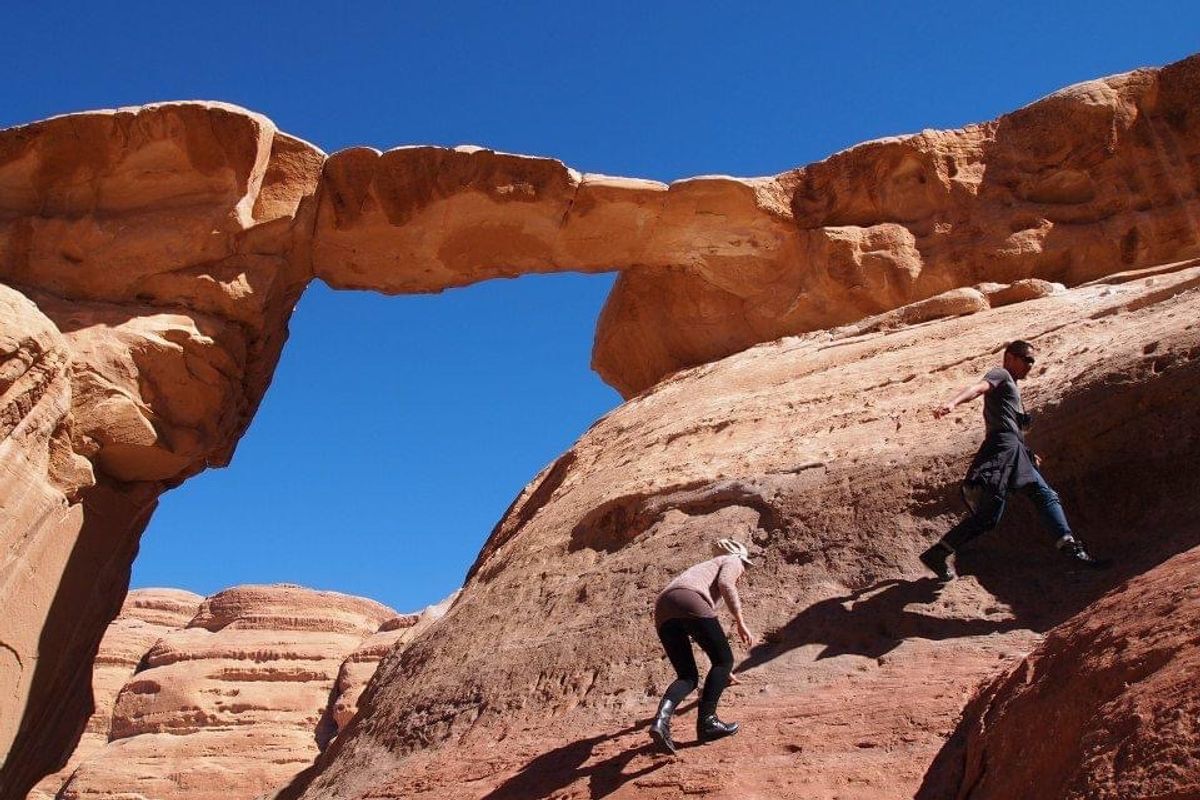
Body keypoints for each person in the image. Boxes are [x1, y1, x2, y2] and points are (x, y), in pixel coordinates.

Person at [920, 340, 1108, 581]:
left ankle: (937, 553)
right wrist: (952, 403)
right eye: (1027, 359)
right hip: (1003, 448)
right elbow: (979, 388)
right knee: (1025, 502)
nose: (1031, 364)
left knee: (1006, 510)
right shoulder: (1001, 375)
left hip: (1013, 449)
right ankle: (1070, 548)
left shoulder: (1013, 389)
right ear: (1010, 357)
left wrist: (1027, 454)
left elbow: (1012, 427)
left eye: (1033, 361)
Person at [648, 538, 755, 755]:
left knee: (687, 677)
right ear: (740, 557)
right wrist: (740, 621)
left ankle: (661, 721)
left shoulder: (702, 570)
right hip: (689, 599)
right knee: (725, 659)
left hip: (663, 608)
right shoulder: (732, 560)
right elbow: (726, 584)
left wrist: (720, 669)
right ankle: (708, 723)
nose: (743, 571)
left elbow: (703, 637)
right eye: (745, 565)